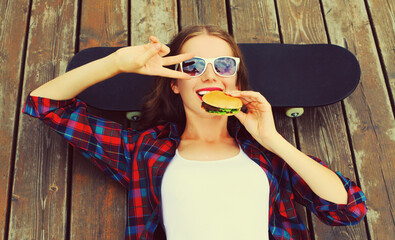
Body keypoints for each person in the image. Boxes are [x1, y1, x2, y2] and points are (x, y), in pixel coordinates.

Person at [23, 25, 367, 240]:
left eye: (223, 65)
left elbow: (347, 209)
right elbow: (45, 104)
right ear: (175, 84)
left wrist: (274, 140)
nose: (209, 76)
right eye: (193, 65)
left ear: (236, 81)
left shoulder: (265, 153)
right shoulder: (144, 151)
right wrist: (117, 63)